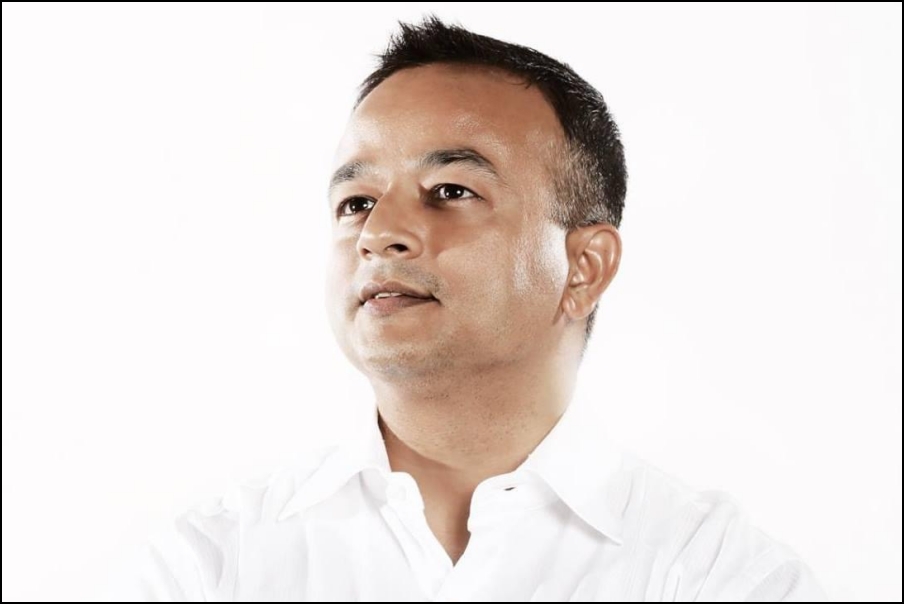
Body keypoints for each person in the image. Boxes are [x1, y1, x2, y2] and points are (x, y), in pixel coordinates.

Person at [110, 14, 828, 601]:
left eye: (451, 191)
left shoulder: (716, 575)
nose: (379, 232)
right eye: (356, 201)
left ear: (584, 267)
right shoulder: (211, 566)